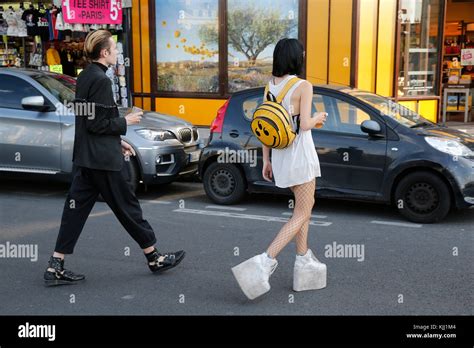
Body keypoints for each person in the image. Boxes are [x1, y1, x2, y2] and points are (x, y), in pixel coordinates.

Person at [44, 30, 185, 286]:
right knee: (128, 208)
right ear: (104, 53)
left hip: (86, 159)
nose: (117, 53)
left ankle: (56, 265)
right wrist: (125, 122)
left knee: (74, 212)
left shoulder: (85, 76)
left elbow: (89, 121)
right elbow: (99, 123)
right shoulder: (101, 80)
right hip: (103, 163)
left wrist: (117, 141)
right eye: (115, 49)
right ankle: (154, 258)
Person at [232, 38, 328, 300]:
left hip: (281, 156)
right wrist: (319, 118)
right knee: (302, 212)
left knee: (302, 210)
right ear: (297, 58)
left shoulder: (270, 87)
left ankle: (303, 261)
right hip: (300, 155)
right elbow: (306, 124)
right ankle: (264, 261)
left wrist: (266, 160)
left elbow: (265, 125)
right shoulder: (303, 86)